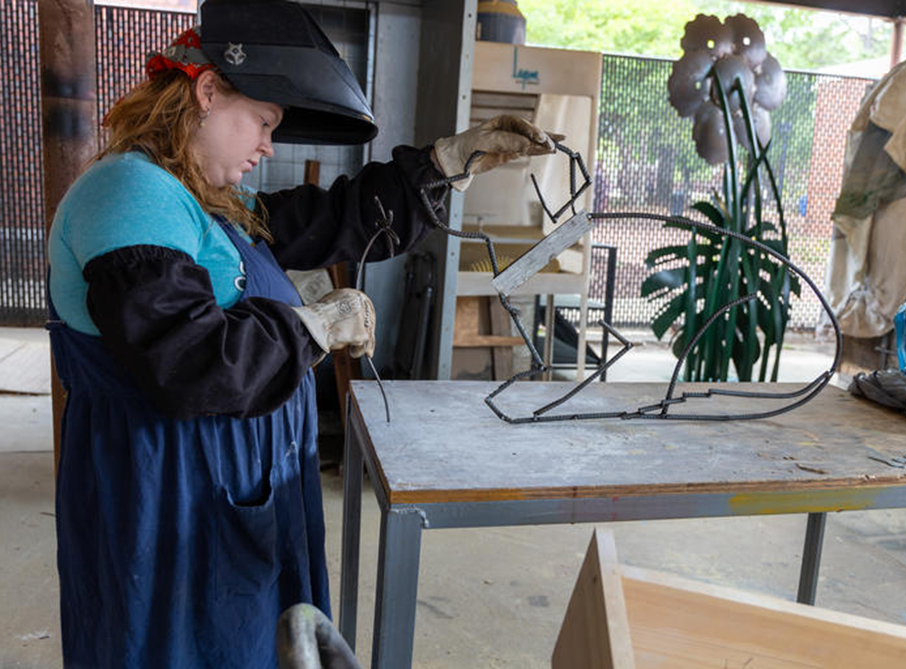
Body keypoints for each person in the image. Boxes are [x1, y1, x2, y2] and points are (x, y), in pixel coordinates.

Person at [46, 1, 558, 666]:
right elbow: (190, 361)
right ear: (207, 91)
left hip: (223, 491)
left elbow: (330, 219)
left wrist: (442, 163)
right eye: (262, 122)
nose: (267, 146)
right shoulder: (130, 194)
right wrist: (312, 326)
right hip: (165, 499)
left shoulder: (198, 198)